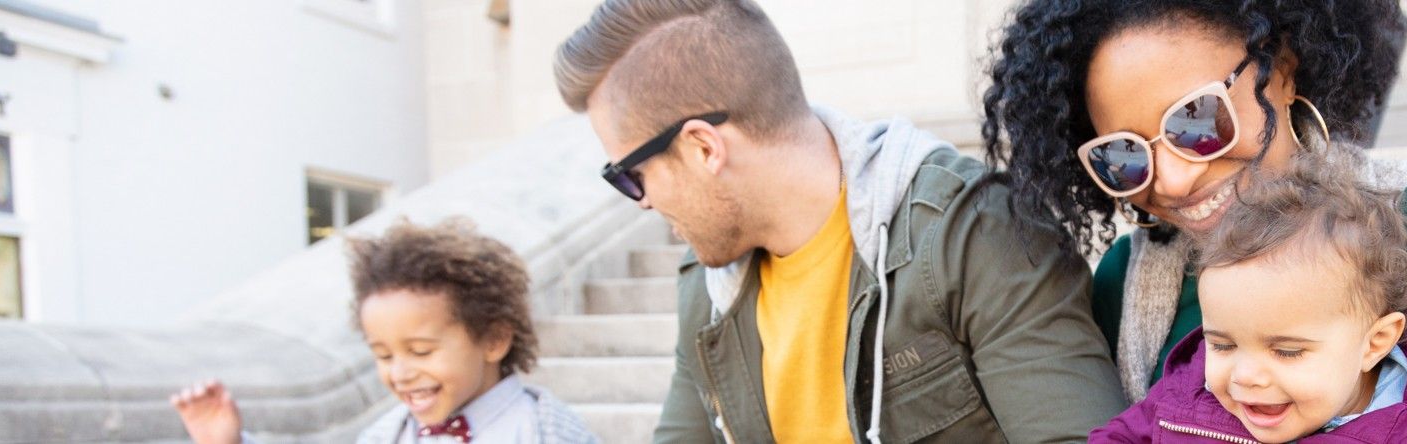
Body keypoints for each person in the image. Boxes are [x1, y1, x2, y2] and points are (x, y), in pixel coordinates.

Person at [980, 0, 1407, 441]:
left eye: (1194, 121)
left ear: (1283, 69)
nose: (1169, 180)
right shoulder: (1123, 280)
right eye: (1123, 154)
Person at [551, 0, 1125, 442]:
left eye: (630, 174)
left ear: (704, 149)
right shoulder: (707, 289)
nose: (642, 201)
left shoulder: (973, 232)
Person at [1091, 146, 1407, 444]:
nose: (1245, 377)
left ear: (1375, 343)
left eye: (1287, 351)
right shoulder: (1190, 390)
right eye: (1222, 343)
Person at [169, 218, 597, 443]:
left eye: (421, 350)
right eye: (384, 355)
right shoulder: (387, 433)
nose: (401, 372)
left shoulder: (547, 430)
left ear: (494, 339)